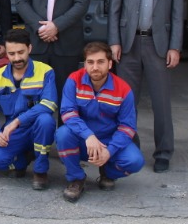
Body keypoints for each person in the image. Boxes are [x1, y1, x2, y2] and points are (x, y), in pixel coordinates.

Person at [108, 0, 183, 173]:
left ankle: (163, 153)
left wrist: (175, 47)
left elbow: (177, 13)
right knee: (127, 102)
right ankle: (128, 146)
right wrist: (114, 41)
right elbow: (114, 9)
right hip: (128, 45)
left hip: (158, 45)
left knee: (161, 103)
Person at [56, 42, 144, 203]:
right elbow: (67, 112)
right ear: (85, 64)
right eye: (90, 62)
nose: (95, 67)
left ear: (110, 64)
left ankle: (107, 172)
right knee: (62, 134)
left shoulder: (123, 89)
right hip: (84, 141)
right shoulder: (74, 80)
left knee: (135, 161)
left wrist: (109, 151)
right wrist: (88, 135)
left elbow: (127, 127)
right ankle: (76, 178)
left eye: (100, 62)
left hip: (109, 141)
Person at [0, 28, 58, 190]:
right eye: (11, 54)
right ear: (6, 53)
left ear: (29, 48)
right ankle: (23, 159)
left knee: (46, 121)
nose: (16, 58)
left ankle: (40, 170)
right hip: (14, 132)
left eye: (20, 52)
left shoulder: (45, 71)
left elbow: (49, 104)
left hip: (36, 125)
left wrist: (17, 121)